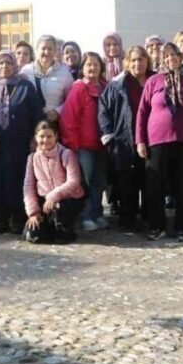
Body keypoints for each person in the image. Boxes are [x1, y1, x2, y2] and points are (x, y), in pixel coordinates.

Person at [136, 43, 183, 241]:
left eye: (174, 55)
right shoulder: (154, 81)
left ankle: (181, 227)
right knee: (155, 186)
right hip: (157, 140)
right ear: (161, 58)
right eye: (166, 56)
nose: (171, 59)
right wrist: (140, 140)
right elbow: (142, 112)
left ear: (180, 57)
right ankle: (157, 226)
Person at [0, 50, 43, 233]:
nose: (5, 66)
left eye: (9, 63)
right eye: (1, 63)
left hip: (18, 145)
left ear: (15, 65)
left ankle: (17, 219)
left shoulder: (26, 87)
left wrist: (36, 140)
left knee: (17, 181)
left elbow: (36, 115)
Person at [99, 46, 150, 231]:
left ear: (147, 61)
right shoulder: (118, 84)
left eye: (141, 59)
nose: (138, 63)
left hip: (150, 139)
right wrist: (109, 136)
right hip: (124, 140)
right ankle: (128, 219)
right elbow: (104, 109)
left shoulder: (155, 80)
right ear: (127, 62)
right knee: (127, 182)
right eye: (134, 60)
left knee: (149, 180)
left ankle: (149, 218)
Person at [61, 52, 108, 231]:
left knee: (99, 181)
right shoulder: (79, 88)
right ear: (83, 68)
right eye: (89, 65)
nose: (93, 68)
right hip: (83, 146)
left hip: (102, 144)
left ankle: (97, 213)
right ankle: (85, 215)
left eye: (96, 64)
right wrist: (72, 145)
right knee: (84, 183)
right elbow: (68, 118)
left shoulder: (106, 86)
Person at [23, 120, 85, 243]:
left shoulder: (66, 154)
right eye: (41, 136)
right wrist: (33, 212)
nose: (45, 140)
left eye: (49, 136)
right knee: (32, 235)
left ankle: (65, 228)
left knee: (61, 237)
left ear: (56, 136)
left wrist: (53, 196)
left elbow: (73, 182)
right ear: (36, 137)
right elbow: (28, 187)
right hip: (44, 200)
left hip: (67, 199)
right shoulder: (32, 158)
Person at [22, 35, 73, 122]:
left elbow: (70, 99)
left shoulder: (65, 74)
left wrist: (57, 112)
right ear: (36, 50)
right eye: (43, 48)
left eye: (50, 49)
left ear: (55, 52)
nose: (46, 52)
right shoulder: (25, 71)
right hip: (30, 122)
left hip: (54, 123)